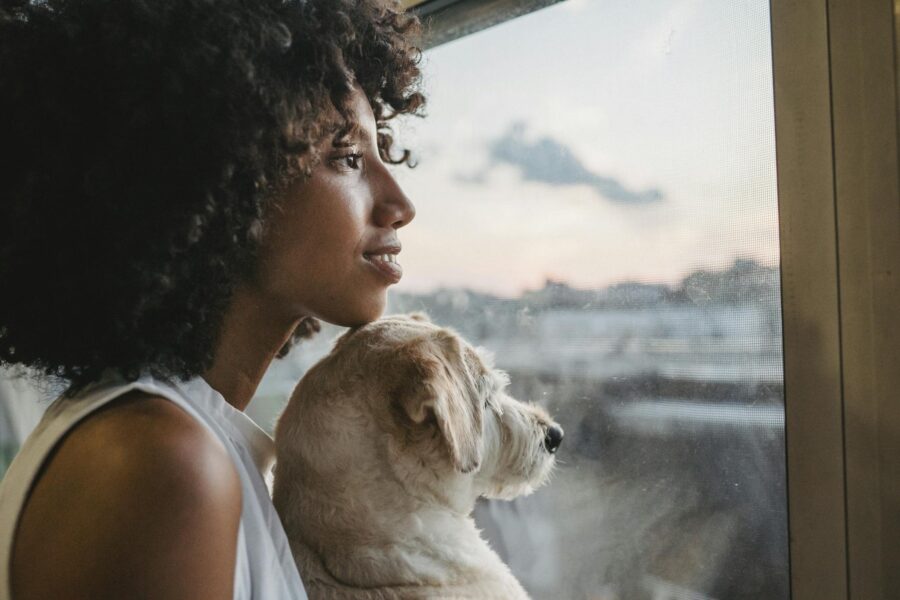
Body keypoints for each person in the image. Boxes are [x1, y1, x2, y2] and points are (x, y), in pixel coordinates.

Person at [0, 0, 424, 598]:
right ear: (226, 175)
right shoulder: (160, 464)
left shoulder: (168, 432)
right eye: (348, 158)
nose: (400, 203)